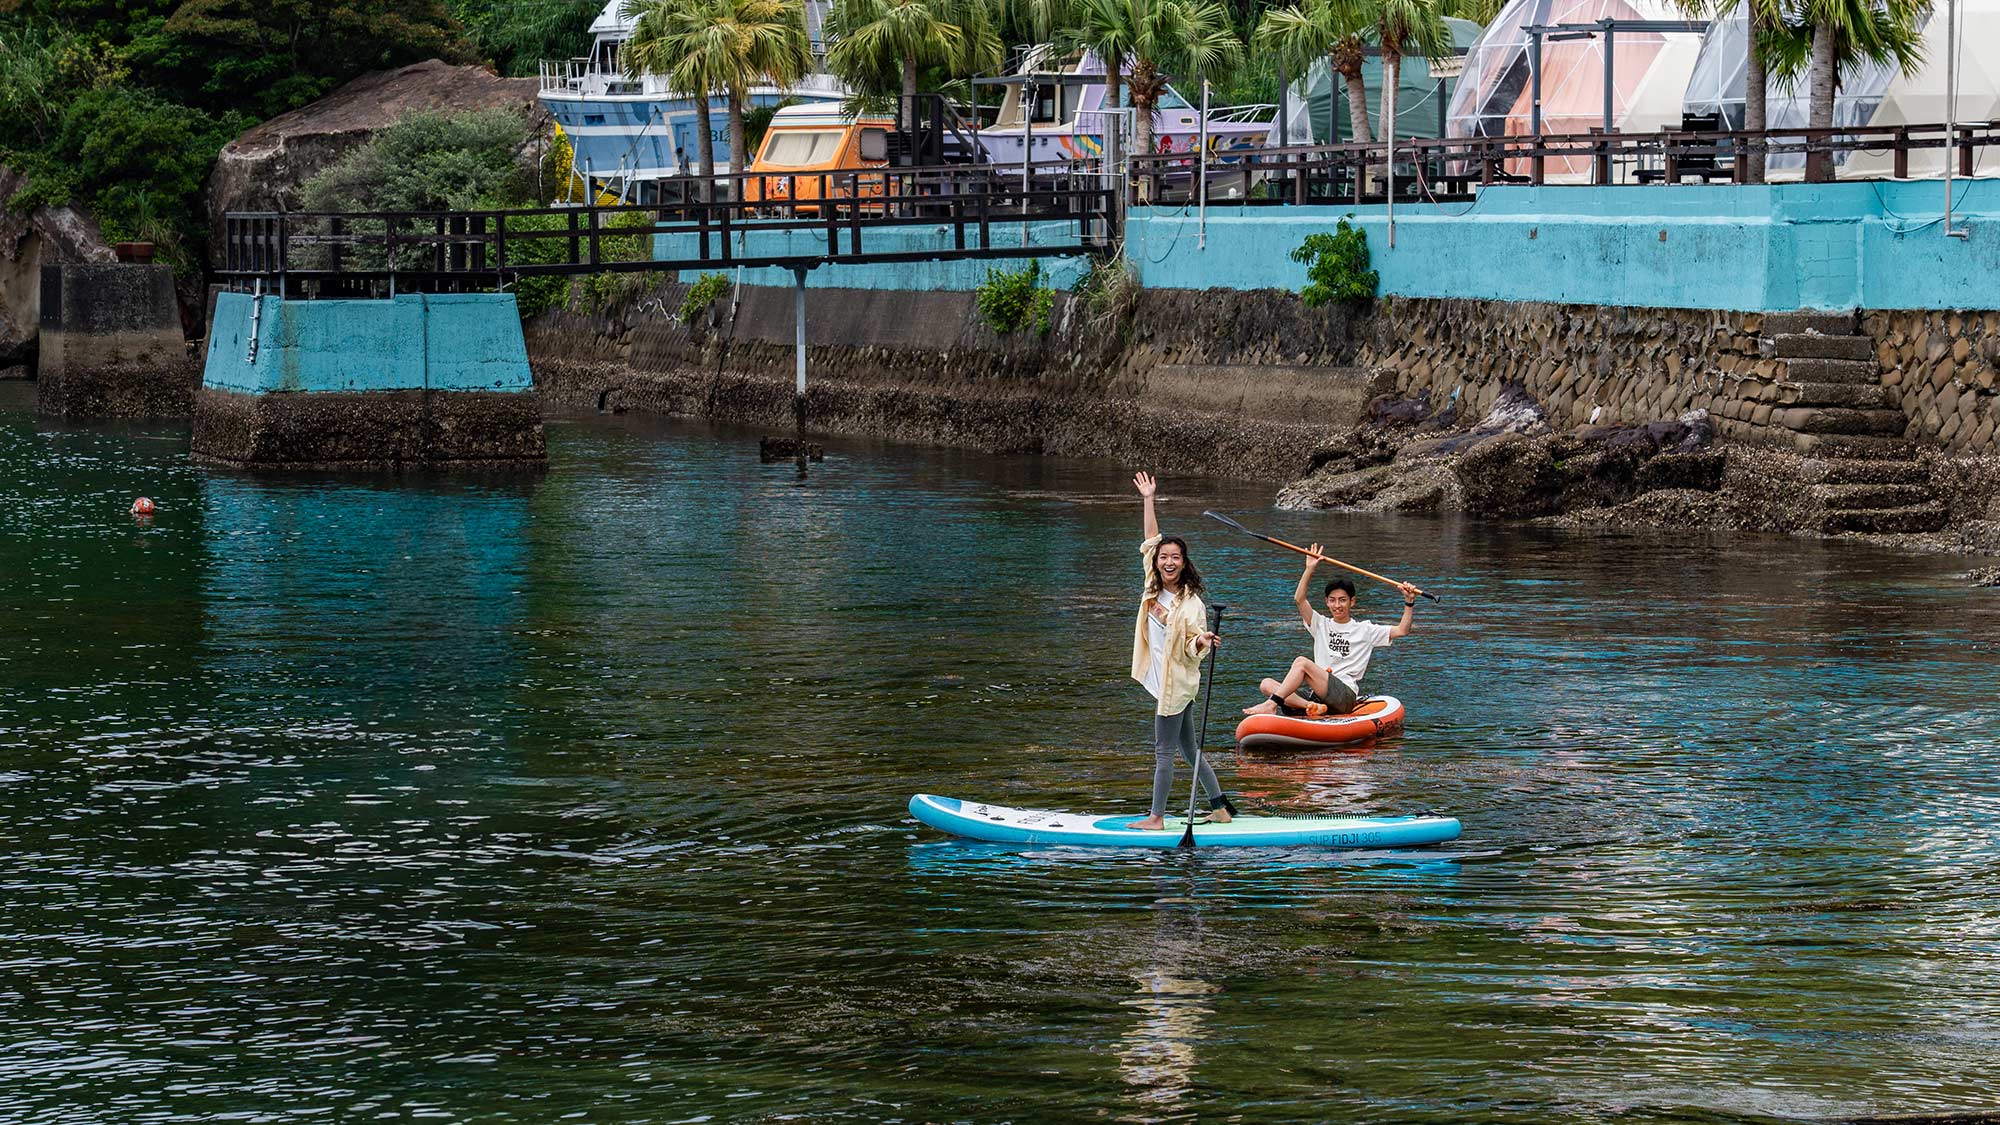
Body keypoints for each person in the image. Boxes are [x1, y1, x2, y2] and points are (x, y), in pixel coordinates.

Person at [1127, 471, 1235, 830]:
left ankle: (1156, 818)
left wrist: (1203, 641)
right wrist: (1148, 499)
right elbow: (1149, 539)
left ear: (1185, 563)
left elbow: (1193, 646)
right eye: (1164, 558)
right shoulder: (1152, 584)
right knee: (1189, 749)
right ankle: (1220, 806)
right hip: (1165, 680)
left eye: (1175, 558)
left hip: (1176, 684)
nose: (1168, 562)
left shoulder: (1192, 605)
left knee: (1163, 752)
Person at [1242, 544, 1419, 718]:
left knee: (1301, 662)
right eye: (1332, 600)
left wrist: (1409, 602)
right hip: (1319, 694)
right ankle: (1313, 707)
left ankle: (1270, 705)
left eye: (1342, 600)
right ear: (1326, 602)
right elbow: (1299, 599)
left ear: (1352, 602)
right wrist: (1309, 569)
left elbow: (1402, 630)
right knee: (1266, 684)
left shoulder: (1365, 629)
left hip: (1345, 694)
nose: (1337, 605)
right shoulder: (1320, 624)